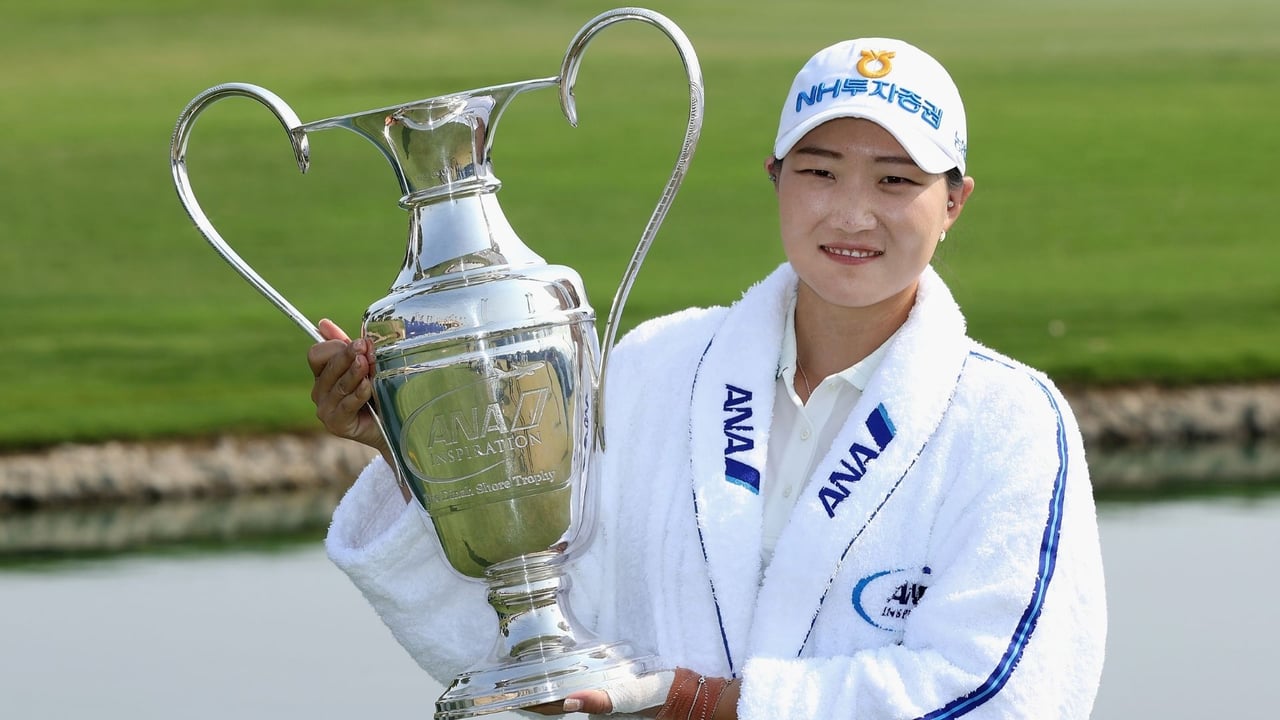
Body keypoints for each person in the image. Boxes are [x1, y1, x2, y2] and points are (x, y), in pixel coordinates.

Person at [308, 37, 1107, 719]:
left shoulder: (1011, 421)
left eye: (896, 180)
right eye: (820, 173)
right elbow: (529, 639)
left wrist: (710, 703)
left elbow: (1008, 691)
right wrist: (424, 456)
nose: (853, 213)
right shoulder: (654, 367)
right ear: (776, 177)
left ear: (954, 202)